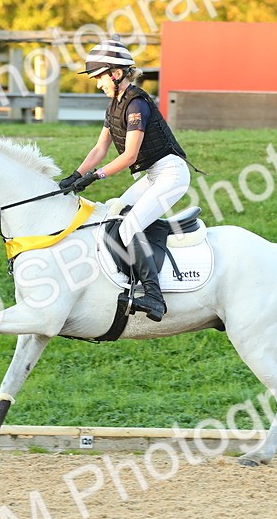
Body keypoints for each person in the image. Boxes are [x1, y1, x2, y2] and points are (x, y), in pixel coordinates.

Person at [60, 39, 191, 322]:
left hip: (172, 174)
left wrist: (96, 177)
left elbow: (130, 156)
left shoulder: (136, 105)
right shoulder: (114, 106)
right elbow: (100, 149)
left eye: (99, 78)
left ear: (116, 74)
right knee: (113, 211)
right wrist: (76, 174)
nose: (97, 85)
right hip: (153, 174)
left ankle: (154, 297)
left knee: (129, 226)